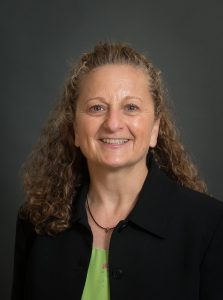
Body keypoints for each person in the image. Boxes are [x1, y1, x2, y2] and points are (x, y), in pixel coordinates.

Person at [11, 42, 223, 300]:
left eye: (130, 107)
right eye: (96, 108)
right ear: (76, 129)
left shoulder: (210, 226)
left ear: (155, 128)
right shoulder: (36, 222)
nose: (113, 124)